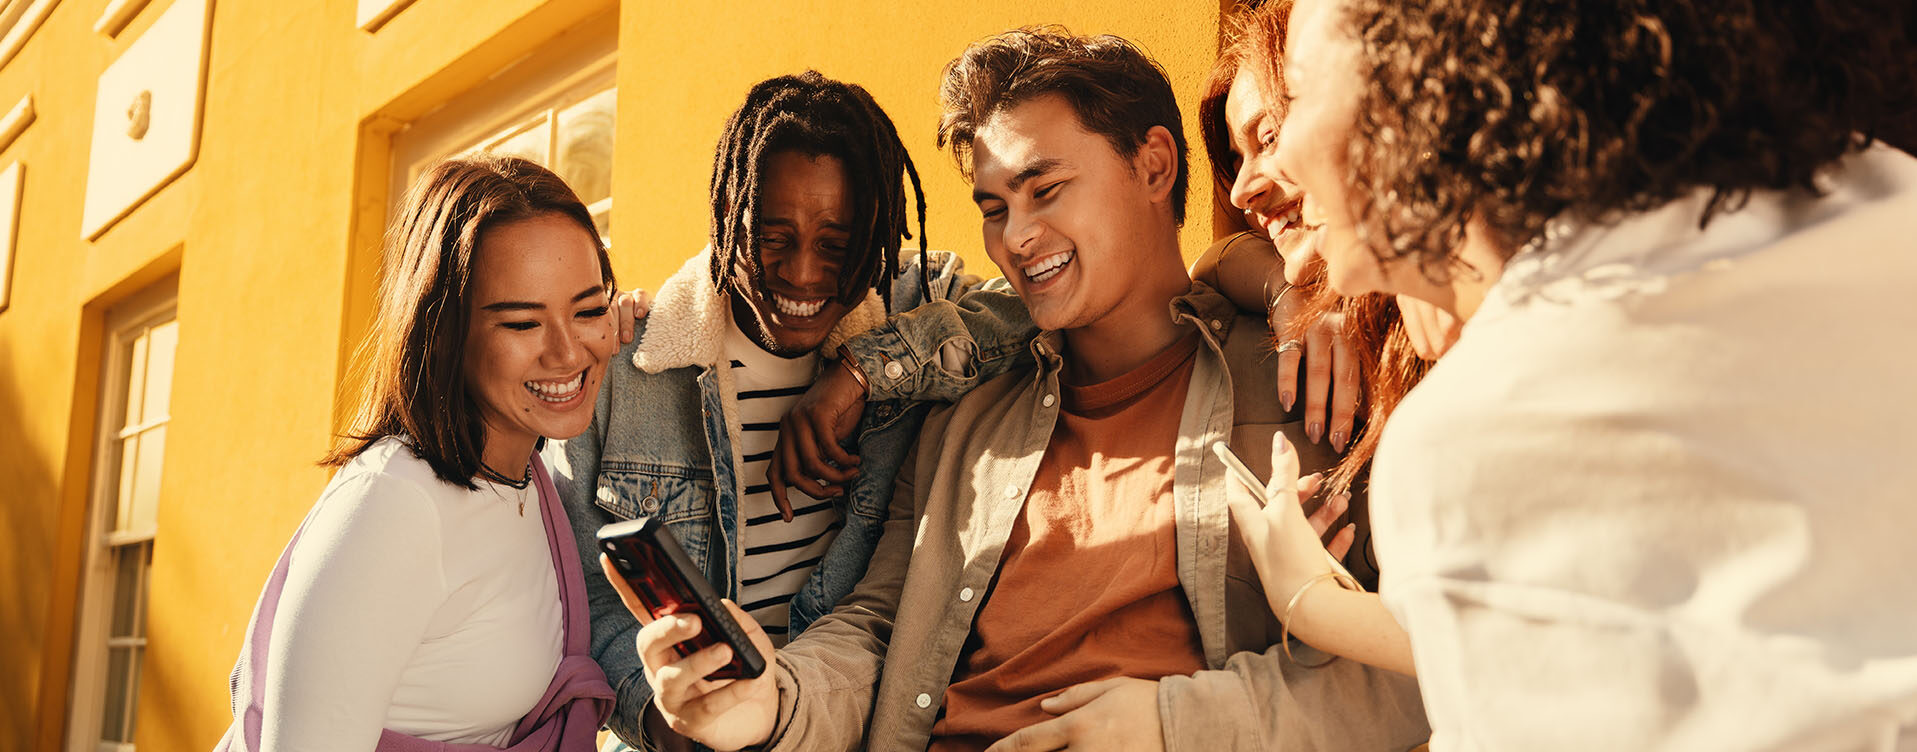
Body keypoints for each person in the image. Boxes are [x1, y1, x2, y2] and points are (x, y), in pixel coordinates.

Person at [612, 28, 1429, 752]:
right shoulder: (964, 417)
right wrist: (771, 703)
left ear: (1153, 166)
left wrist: (1174, 725)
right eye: (993, 207)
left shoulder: (1311, 379)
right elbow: (879, 627)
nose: (1015, 237)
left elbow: (1423, 668)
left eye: (1044, 190)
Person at [1232, 0, 1917, 747]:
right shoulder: (1872, 192)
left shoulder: (1476, 437)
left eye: (1294, 99)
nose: (1279, 160)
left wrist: (1307, 600)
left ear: (1423, 97)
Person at [547, 71, 1039, 750]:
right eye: (772, 238)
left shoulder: (914, 305)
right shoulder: (630, 369)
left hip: (842, 725)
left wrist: (863, 370)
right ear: (729, 213)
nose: (804, 274)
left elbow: (1033, 306)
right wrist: (674, 723)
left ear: (875, 232)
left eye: (836, 245)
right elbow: (583, 600)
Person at [216, 155, 617, 751]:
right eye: (521, 324)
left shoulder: (521, 472)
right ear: (446, 332)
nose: (567, 353)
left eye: (588, 309)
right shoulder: (395, 506)